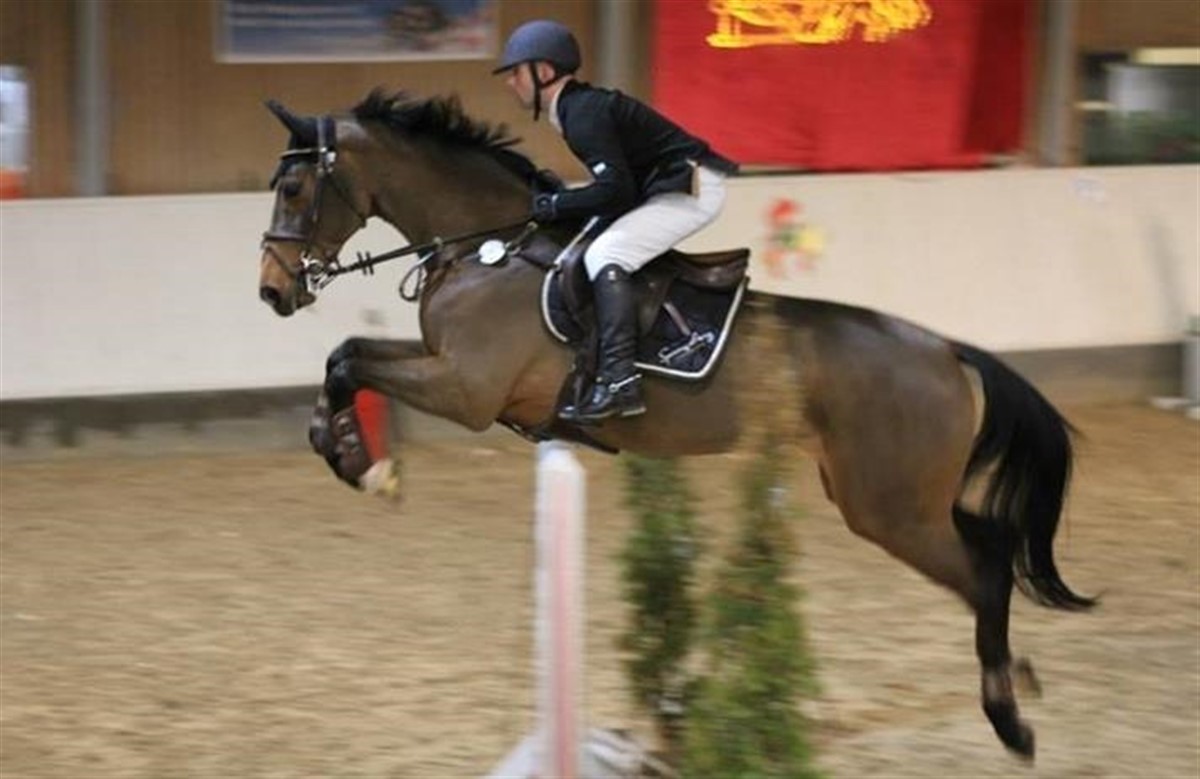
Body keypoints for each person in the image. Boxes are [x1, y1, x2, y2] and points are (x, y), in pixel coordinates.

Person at [493, 19, 738, 423]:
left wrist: (556, 205)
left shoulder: (581, 114)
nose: (510, 82)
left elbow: (615, 191)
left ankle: (620, 379)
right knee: (589, 244)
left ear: (544, 71)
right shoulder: (574, 109)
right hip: (665, 184)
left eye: (516, 72)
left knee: (605, 255)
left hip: (692, 185)